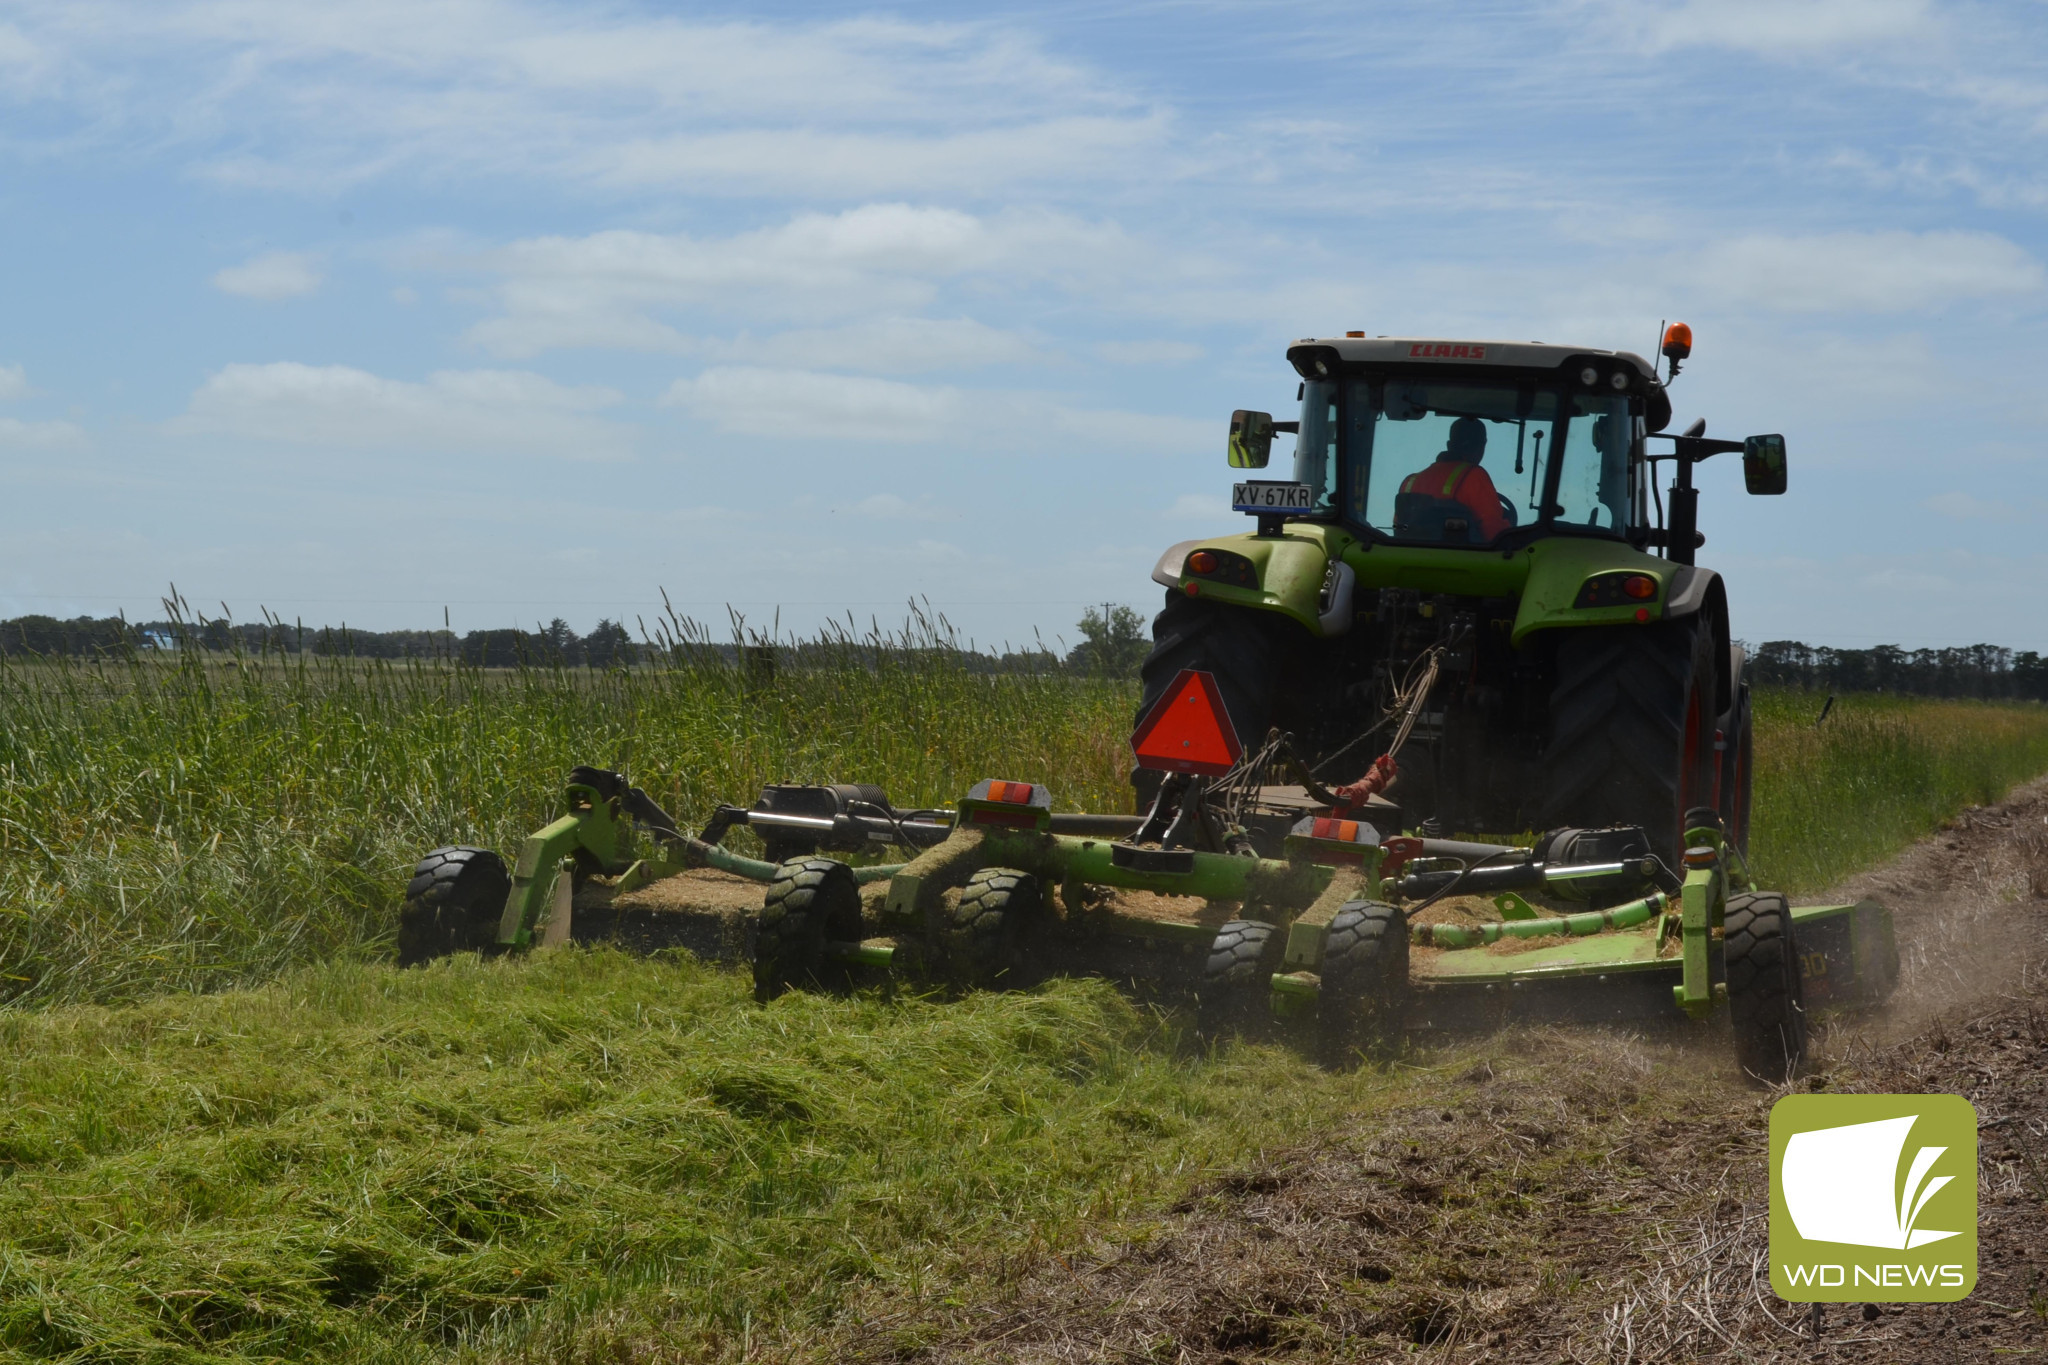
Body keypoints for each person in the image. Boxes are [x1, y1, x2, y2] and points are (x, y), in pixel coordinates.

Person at [1398, 415, 1509, 540]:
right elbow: (1494, 531)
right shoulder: (1474, 476)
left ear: (1449, 445)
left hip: (1409, 556)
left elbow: (1399, 528)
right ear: (1482, 447)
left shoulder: (1409, 482)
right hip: (1461, 558)